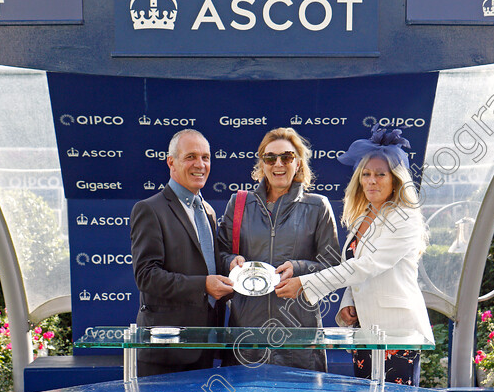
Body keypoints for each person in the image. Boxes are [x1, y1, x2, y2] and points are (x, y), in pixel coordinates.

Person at [275, 126, 433, 385]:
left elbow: (367, 266)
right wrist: (349, 301)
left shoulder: (404, 218)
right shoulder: (364, 216)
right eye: (366, 174)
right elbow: (353, 267)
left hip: (396, 334)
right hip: (364, 332)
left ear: (395, 179)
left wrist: (305, 283)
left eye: (380, 174)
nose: (371, 180)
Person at [217, 127, 339, 371]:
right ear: (262, 164)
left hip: (298, 334)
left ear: (299, 163)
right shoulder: (239, 203)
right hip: (247, 333)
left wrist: (299, 270)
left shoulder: (318, 206)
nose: (278, 164)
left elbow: (333, 266)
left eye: (287, 157)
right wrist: (231, 262)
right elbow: (218, 255)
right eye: (270, 158)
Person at [129, 129, 234, 377]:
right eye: (191, 157)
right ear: (171, 162)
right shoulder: (149, 209)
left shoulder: (207, 211)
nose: (200, 165)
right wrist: (204, 286)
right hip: (166, 349)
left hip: (204, 344)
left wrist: (233, 268)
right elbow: (147, 276)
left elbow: (206, 265)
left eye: (206, 158)